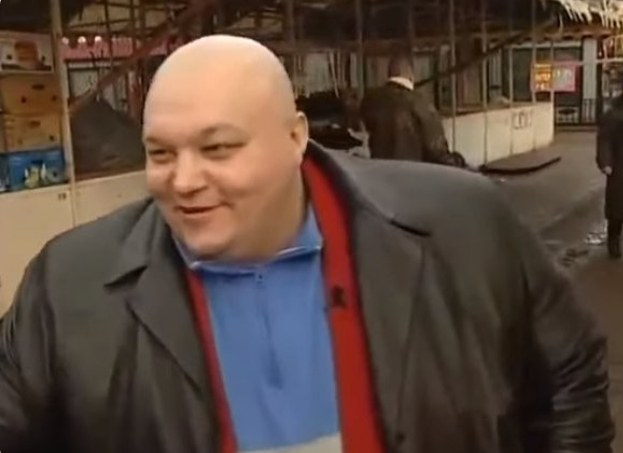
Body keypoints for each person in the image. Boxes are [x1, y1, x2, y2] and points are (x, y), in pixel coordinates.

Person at [0, 35, 612, 453]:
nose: (183, 180)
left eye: (218, 148)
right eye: (160, 153)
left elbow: (569, 378)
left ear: (295, 138)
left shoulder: (463, 226)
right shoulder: (68, 286)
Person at [360, 53, 463, 166]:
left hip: (378, 172)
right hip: (412, 172)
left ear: (389, 74)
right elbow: (437, 152)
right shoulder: (421, 104)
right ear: (411, 76)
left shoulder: (370, 101)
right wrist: (458, 160)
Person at [597, 93, 623, 259]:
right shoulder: (613, 116)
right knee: (617, 209)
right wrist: (606, 162)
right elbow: (604, 140)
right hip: (619, 168)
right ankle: (613, 239)